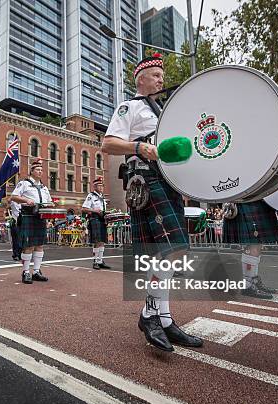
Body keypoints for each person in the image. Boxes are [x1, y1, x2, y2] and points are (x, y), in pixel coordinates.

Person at [102, 53, 203, 352]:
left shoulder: (164, 114)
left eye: (161, 74)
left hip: (167, 181)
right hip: (145, 180)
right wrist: (140, 146)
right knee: (167, 250)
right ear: (141, 79)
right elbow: (107, 144)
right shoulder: (129, 107)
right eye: (156, 74)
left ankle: (164, 319)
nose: (161, 79)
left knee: (172, 252)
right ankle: (150, 315)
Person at [222, 201, 278, 299]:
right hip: (245, 201)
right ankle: (247, 284)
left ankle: (253, 280)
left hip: (258, 200)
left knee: (257, 245)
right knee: (252, 245)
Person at [11, 159, 53, 284]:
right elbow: (13, 196)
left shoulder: (44, 187)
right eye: (37, 170)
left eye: (41, 170)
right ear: (32, 171)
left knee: (39, 245)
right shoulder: (24, 183)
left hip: (40, 217)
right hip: (28, 215)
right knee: (28, 246)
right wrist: (25, 200)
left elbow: (49, 201)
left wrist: (50, 204)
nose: (40, 172)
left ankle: (36, 271)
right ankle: (25, 272)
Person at [82, 176, 111, 270]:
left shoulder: (102, 197)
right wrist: (94, 210)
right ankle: (95, 261)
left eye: (102, 186)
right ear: (94, 187)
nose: (101, 187)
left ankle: (100, 261)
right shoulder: (91, 196)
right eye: (99, 186)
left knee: (102, 240)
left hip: (103, 219)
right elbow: (84, 209)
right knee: (97, 241)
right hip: (95, 219)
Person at [8, 197, 22, 261]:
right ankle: (15, 254)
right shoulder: (13, 202)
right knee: (16, 239)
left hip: (22, 221)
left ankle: (20, 254)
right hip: (15, 221)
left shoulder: (23, 202)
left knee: (21, 239)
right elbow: (5, 203)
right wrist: (10, 199)